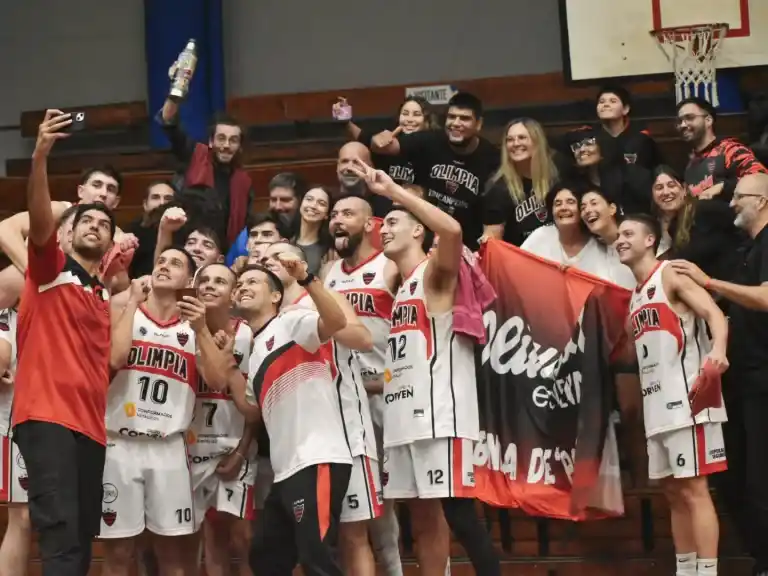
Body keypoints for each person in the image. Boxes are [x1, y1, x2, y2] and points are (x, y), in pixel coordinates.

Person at [350, 161, 502, 576]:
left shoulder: (434, 274)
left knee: (460, 516)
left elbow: (452, 231)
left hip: (439, 416)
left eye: (394, 221)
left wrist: (397, 193)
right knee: (421, 519)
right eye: (383, 223)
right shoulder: (399, 291)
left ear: (418, 230)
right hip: (402, 418)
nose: (384, 228)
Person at [199, 251, 352, 574]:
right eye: (239, 283)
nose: (242, 287)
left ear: (276, 295)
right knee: (266, 558)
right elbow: (250, 411)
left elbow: (337, 322)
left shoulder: (291, 321)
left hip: (317, 458)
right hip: (286, 471)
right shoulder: (255, 353)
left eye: (252, 282)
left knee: (318, 560)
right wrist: (227, 364)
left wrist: (307, 279)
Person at [13, 110, 116, 574]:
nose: (95, 225)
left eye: (104, 224)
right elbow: (37, 219)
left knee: (79, 542)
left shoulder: (103, 295)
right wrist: (39, 157)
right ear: (68, 232)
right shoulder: (49, 271)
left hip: (92, 428)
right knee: (59, 540)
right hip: (47, 418)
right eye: (86, 220)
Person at [616, 214, 729, 576]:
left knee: (695, 490)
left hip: (688, 401)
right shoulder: (634, 296)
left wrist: (719, 351)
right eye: (618, 234)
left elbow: (715, 314)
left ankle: (708, 572)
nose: (620, 239)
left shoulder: (669, 275)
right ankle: (686, 569)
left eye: (628, 233)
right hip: (656, 406)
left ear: (650, 240)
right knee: (673, 493)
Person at [670, 173, 768, 574]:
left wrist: (708, 282)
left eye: (739, 197)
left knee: (760, 483)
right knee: (733, 483)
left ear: (761, 202)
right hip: (740, 380)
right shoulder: (744, 249)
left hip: (764, 378)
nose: (731, 203)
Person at [101, 247, 220, 576]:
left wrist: (202, 330)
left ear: (190, 280)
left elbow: (218, 379)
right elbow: (114, 359)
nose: (165, 266)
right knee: (118, 553)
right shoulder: (126, 308)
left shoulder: (195, 325)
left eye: (176, 263)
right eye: (161, 261)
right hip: (119, 444)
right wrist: (132, 304)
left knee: (171, 555)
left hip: (168, 447)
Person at [326, 194, 404, 575]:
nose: (338, 220)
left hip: (390, 395)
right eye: (334, 215)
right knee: (374, 505)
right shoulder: (327, 274)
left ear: (371, 223)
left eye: (347, 214)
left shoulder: (390, 266)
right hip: (347, 404)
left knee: (414, 498)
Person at [189, 263, 256, 576]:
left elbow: (257, 403)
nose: (210, 285)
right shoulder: (179, 330)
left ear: (234, 294)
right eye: (203, 280)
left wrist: (242, 451)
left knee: (244, 541)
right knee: (211, 539)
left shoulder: (250, 334)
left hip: (235, 449)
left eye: (220, 281)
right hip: (191, 450)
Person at [370, 92, 499, 250]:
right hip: (425, 239)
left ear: (478, 124)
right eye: (452, 117)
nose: (456, 123)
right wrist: (379, 141)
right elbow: (388, 147)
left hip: (466, 244)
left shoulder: (491, 158)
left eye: (464, 118)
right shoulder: (430, 140)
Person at [159, 87, 254, 250]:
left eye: (233, 140)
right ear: (211, 141)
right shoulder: (195, 154)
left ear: (239, 146)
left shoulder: (244, 182)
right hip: (184, 247)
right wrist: (176, 90)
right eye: (221, 138)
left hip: (221, 255)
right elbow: (169, 122)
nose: (226, 145)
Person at [521, 184, 635, 289]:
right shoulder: (541, 235)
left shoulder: (601, 246)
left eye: (570, 202)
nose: (563, 207)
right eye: (557, 204)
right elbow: (515, 266)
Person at [483, 118, 561, 245]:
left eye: (522, 137)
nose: (515, 143)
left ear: (537, 141)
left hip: (559, 256)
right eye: (510, 140)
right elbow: (493, 242)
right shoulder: (498, 189)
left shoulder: (557, 172)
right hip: (520, 259)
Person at [676, 96, 767, 200]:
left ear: (708, 120)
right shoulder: (690, 165)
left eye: (690, 118)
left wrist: (723, 187)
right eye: (679, 121)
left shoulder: (730, 149)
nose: (682, 125)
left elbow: (761, 178)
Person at [335, 95, 437, 188]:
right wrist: (345, 120)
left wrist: (379, 144)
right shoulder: (391, 138)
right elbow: (364, 137)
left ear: (427, 120)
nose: (409, 119)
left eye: (416, 114)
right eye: (405, 114)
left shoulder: (434, 140)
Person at [226, 172, 306, 265]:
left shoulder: (309, 233)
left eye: (285, 200)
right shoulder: (246, 235)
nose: (277, 206)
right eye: (273, 200)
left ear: (300, 201)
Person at [566, 128, 653, 215]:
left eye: (588, 143)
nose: (581, 149)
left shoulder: (630, 175)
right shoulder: (575, 185)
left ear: (603, 146)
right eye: (576, 146)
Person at [594, 84, 661, 169]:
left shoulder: (641, 139)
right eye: (601, 101)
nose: (606, 105)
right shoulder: (591, 139)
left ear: (625, 109)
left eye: (613, 101)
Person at [127, 181, 176, 278]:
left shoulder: (184, 231)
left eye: (168, 198)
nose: (162, 203)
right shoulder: (132, 231)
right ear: (145, 204)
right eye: (155, 197)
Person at [288, 186, 335, 275]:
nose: (313, 206)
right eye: (309, 199)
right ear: (300, 204)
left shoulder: (330, 252)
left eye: (321, 203)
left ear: (327, 214)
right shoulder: (286, 243)